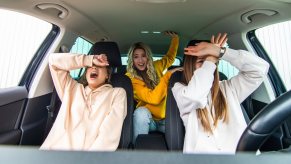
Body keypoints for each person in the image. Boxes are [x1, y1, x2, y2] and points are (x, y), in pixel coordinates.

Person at [172, 33, 269, 154]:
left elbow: (260, 69)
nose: (210, 65)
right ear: (189, 64)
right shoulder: (180, 89)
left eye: (213, 62)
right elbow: (195, 96)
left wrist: (221, 52)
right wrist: (211, 57)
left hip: (241, 158)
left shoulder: (229, 88)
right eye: (202, 61)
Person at [40, 53, 127, 151]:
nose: (94, 67)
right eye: (90, 66)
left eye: (99, 66)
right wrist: (89, 59)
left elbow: (109, 133)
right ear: (86, 73)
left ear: (107, 75)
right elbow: (53, 61)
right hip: (54, 152)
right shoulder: (71, 88)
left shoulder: (117, 93)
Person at [126, 31, 182, 144]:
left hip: (165, 120)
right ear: (132, 60)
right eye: (136, 57)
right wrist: (168, 75)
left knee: (180, 126)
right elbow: (154, 99)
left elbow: (170, 58)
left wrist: (175, 39)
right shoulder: (130, 78)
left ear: (148, 57)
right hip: (148, 120)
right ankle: (137, 151)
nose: (140, 60)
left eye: (143, 56)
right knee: (140, 112)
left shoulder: (156, 66)